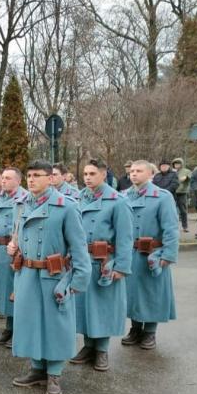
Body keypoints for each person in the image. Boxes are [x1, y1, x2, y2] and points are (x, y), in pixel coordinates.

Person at [7, 159, 91, 394]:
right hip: (27, 273)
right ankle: (37, 369)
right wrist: (13, 248)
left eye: (37, 175)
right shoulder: (21, 205)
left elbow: (78, 248)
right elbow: (19, 236)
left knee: (55, 325)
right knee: (31, 322)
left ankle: (54, 374)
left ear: (50, 178)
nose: (31, 180)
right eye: (29, 175)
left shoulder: (66, 206)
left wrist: (76, 282)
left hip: (53, 275)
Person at [71, 159, 133, 372]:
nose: (87, 177)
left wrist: (121, 267)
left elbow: (125, 238)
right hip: (82, 260)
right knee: (84, 306)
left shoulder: (117, 201)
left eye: (92, 173)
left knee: (102, 307)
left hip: (104, 262)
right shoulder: (78, 198)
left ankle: (102, 350)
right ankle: (88, 346)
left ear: (104, 174)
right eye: (85, 173)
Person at [122, 160, 179, 350]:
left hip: (153, 253)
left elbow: (170, 229)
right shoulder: (123, 197)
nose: (134, 174)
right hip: (130, 252)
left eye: (139, 171)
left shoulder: (163, 197)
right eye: (132, 171)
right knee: (132, 293)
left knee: (152, 293)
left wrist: (168, 255)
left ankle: (150, 332)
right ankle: (135, 328)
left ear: (150, 174)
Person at [0, 167, 27, 345]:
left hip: (17, 250)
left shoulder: (25, 199)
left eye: (7, 178)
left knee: (17, 289)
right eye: (2, 178)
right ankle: (9, 327)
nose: (3, 181)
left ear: (18, 181)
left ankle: (19, 329)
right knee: (4, 289)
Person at [172, 158, 191, 232]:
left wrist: (184, 178)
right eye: (175, 164)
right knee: (172, 211)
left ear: (181, 164)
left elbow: (187, 178)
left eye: (178, 163)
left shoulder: (186, 171)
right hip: (172, 193)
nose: (177, 165)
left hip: (182, 192)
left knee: (183, 210)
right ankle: (173, 226)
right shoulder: (172, 171)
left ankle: (185, 226)